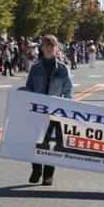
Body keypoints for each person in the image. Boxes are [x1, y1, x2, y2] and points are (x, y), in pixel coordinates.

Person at [24, 35, 73, 186]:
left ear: (56, 48)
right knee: (35, 141)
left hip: (56, 111)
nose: (49, 48)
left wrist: (66, 107)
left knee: (52, 144)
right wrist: (21, 93)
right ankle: (36, 169)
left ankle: (48, 175)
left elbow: (68, 90)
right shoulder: (35, 69)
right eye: (46, 45)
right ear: (42, 48)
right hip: (38, 110)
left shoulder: (63, 69)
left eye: (51, 45)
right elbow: (29, 87)